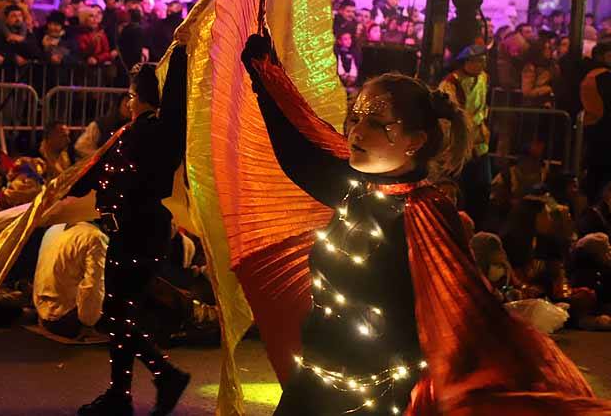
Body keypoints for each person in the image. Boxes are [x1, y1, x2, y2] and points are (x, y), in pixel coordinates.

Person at [241, 31, 608, 414]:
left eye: (376, 124)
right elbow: (298, 156)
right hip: (313, 388)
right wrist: (265, 78)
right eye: (356, 118)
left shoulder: (428, 215)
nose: (356, 132)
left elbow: (460, 315)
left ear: (415, 140)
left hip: (379, 401)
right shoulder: (355, 188)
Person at [69, 51, 190, 416]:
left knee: (116, 314)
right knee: (120, 313)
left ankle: (162, 375)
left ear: (138, 97)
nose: (128, 100)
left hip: (141, 232)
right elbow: (91, 178)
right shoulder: (130, 132)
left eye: (131, 93)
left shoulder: (161, 129)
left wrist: (181, 51)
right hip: (127, 232)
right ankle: (121, 393)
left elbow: (177, 99)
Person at [439, 44, 491, 227]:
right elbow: (452, 113)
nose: (481, 65)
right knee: (460, 187)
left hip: (480, 142)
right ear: (466, 62)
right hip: (460, 142)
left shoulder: (484, 78)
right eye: (477, 61)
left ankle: (477, 223)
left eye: (483, 61)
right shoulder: (451, 83)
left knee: (482, 186)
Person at [32, 221, 109, 339]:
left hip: (43, 313)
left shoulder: (53, 230)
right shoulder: (95, 237)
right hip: (69, 318)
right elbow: (94, 285)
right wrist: (88, 323)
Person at [581, 41, 611, 203]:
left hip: (595, 127)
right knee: (600, 175)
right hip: (603, 129)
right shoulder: (603, 76)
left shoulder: (592, 74)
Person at [74, 93, 130, 161]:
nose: (129, 105)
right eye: (127, 102)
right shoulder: (101, 125)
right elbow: (81, 147)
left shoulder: (135, 127)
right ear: (118, 105)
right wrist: (101, 157)